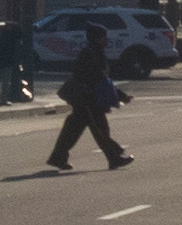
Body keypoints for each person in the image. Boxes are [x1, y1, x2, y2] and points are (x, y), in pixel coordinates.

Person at [46, 23, 133, 171]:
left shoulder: (94, 52)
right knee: (100, 129)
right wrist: (120, 95)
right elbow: (99, 78)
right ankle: (114, 157)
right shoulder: (90, 54)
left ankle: (58, 157)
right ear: (98, 38)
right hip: (87, 98)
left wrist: (119, 95)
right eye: (104, 37)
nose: (107, 40)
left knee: (73, 129)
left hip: (87, 98)